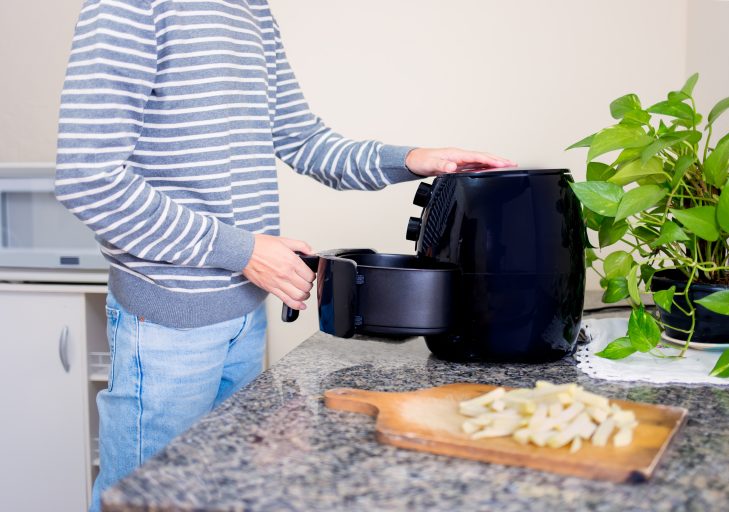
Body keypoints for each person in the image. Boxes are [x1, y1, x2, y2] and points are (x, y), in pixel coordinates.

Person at [55, 1, 513, 509]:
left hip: (245, 312)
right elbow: (88, 180)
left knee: (220, 493)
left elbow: (303, 139)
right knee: (146, 501)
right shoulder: (130, 7)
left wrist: (410, 160)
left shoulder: (249, 8)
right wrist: (245, 250)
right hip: (168, 320)